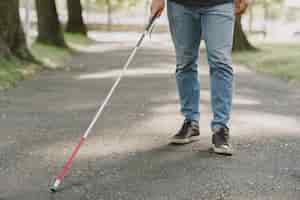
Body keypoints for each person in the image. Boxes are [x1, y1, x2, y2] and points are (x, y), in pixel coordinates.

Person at [150, 0, 250, 155]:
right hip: (180, 4)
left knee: (221, 62)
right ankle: (191, 122)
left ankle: (220, 128)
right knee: (185, 62)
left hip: (220, 3)